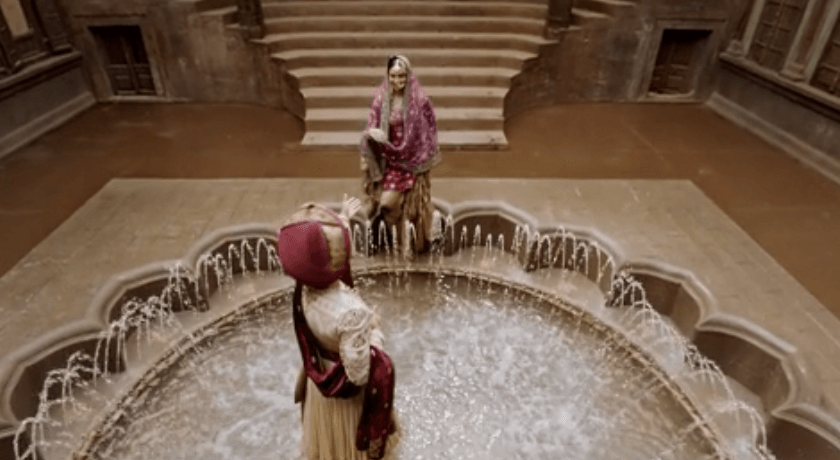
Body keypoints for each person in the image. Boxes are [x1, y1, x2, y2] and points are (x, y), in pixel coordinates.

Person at [276, 197, 399, 460]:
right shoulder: (350, 313)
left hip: (320, 384)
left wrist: (343, 219)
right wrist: (375, 333)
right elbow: (359, 374)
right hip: (347, 405)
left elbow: (316, 254)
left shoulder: (303, 290)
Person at [360, 54, 441, 254]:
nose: (398, 81)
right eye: (393, 76)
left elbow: (430, 131)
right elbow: (371, 124)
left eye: (402, 76)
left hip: (413, 162)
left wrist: (419, 153)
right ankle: (396, 243)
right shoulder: (381, 99)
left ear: (408, 75)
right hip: (390, 161)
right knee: (387, 204)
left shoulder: (420, 100)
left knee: (413, 209)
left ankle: (408, 248)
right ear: (388, 76)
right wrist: (373, 133)